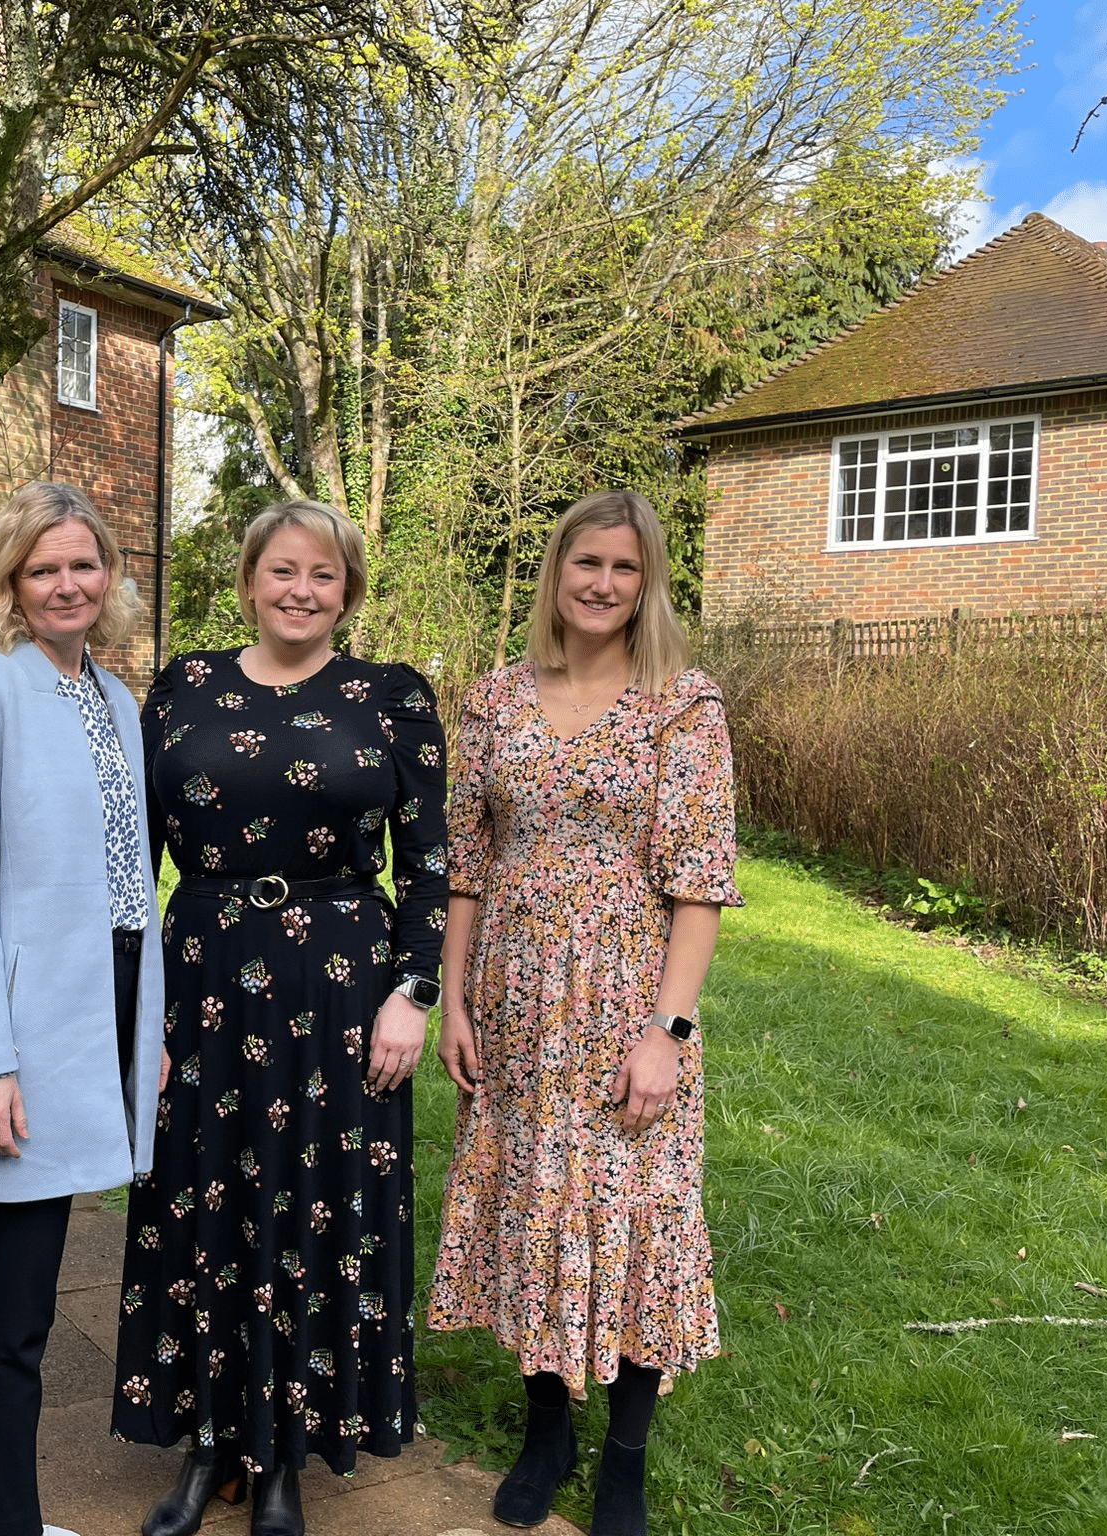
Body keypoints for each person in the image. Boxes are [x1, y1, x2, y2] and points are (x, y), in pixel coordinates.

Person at [111, 500, 448, 1536]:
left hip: (341, 987)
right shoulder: (181, 687)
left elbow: (432, 861)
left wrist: (414, 992)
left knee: (316, 1204)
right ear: (249, 576)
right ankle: (209, 1439)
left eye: (324, 576)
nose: (300, 591)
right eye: (282, 571)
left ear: (347, 590)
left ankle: (287, 1451)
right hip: (203, 973)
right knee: (203, 1197)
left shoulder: (389, 698)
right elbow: (132, 862)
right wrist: (133, 1016)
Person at [427, 490, 741, 1536]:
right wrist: (452, 1001)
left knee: (634, 1215)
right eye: (584, 564)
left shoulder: (680, 707)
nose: (601, 584)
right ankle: (544, 1429)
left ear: (645, 582)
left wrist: (668, 1032)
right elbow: (463, 866)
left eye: (623, 568)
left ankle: (623, 1458)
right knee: (531, 1206)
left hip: (623, 1006)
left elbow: (696, 886)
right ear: (553, 574)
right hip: (515, 1007)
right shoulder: (492, 701)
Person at [0, 482, 166, 1536]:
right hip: (29, 1022)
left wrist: (142, 1030)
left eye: (83, 564)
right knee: (17, 1308)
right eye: (43, 568)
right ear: (13, 584)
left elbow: (130, 887)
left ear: (108, 577)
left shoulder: (113, 699)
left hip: (106, 998)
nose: (66, 584)